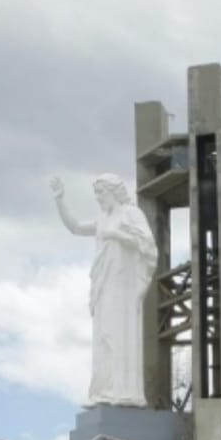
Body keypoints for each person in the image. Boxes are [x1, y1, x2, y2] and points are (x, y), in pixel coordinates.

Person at [51, 174, 157, 407]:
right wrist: (60, 201)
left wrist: (116, 234)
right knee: (103, 337)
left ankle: (124, 392)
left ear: (113, 192)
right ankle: (104, 391)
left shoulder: (131, 213)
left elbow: (148, 244)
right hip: (104, 283)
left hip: (123, 285)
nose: (98, 198)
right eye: (96, 194)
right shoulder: (102, 219)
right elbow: (76, 227)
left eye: (101, 193)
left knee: (118, 334)